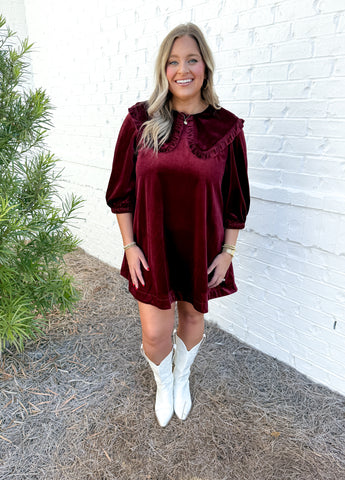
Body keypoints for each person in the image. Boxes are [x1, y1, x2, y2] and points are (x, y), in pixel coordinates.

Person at [106, 23, 250, 427]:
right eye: (172, 61)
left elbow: (236, 198)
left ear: (205, 65)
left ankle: (181, 375)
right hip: (151, 247)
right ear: (163, 69)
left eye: (191, 59)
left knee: (191, 317)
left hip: (202, 248)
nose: (182, 69)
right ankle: (162, 380)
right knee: (154, 333)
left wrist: (228, 251)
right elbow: (121, 190)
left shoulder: (227, 128)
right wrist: (129, 245)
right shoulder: (140, 120)